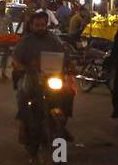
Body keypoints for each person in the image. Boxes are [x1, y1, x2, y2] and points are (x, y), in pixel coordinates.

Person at [10, 10, 72, 141]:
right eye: (37, 25)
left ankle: (62, 122)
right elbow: (15, 59)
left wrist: (70, 66)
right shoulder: (26, 41)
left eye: (42, 25)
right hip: (31, 77)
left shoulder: (54, 40)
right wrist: (22, 68)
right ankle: (23, 124)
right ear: (32, 26)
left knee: (68, 93)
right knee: (23, 94)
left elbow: (65, 55)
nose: (40, 28)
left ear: (46, 25)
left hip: (51, 78)